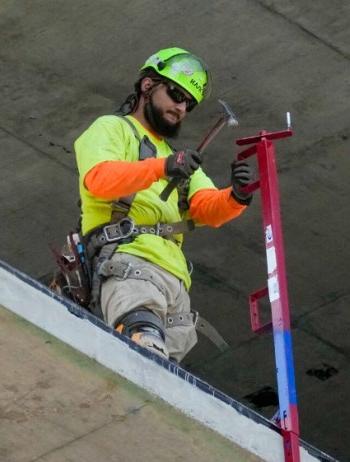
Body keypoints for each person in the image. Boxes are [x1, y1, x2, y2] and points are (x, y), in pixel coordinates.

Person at [73, 47, 254, 362]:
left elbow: (208, 209)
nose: (181, 107)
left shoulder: (177, 160)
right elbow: (99, 178)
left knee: (162, 385)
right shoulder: (114, 128)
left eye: (188, 103)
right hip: (131, 267)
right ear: (147, 86)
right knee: (143, 355)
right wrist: (162, 167)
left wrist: (237, 195)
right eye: (175, 94)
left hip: (176, 289)